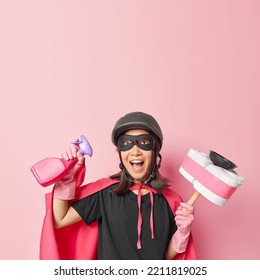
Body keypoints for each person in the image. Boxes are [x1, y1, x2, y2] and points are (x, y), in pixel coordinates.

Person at [40, 112, 196, 260]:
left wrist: (182, 233)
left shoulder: (171, 201)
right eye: (126, 143)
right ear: (120, 153)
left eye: (144, 143)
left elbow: (165, 257)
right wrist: (67, 179)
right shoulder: (104, 194)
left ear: (155, 152)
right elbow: (59, 220)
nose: (135, 151)